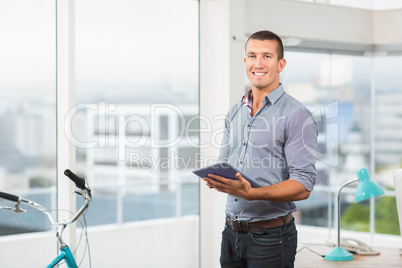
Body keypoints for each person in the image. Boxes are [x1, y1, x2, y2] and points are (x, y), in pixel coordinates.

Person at [203, 30, 318, 268]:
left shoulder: (296, 115)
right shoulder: (235, 113)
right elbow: (227, 166)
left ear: (280, 63)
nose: (258, 63)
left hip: (272, 240)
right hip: (231, 234)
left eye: (267, 56)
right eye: (252, 55)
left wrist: (252, 193)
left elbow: (304, 184)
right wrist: (218, 179)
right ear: (245, 61)